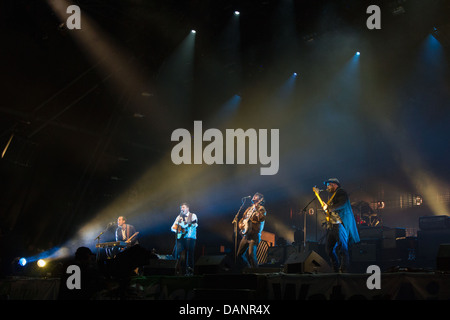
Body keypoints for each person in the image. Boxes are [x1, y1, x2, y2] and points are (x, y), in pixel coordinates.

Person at [322, 178, 360, 273]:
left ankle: (343, 270)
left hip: (339, 225)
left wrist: (329, 208)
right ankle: (335, 268)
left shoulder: (341, 192)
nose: (327, 187)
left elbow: (342, 204)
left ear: (335, 185)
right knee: (329, 249)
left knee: (342, 248)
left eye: (329, 184)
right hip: (332, 226)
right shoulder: (334, 195)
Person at [237, 192, 266, 270]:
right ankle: (249, 269)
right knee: (239, 255)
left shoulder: (261, 208)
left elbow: (261, 218)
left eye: (256, 196)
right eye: (254, 196)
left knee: (251, 255)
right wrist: (242, 228)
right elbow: (244, 219)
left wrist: (257, 209)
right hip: (246, 235)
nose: (253, 197)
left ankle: (256, 273)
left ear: (260, 199)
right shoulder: (249, 209)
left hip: (254, 235)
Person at [171, 203, 198, 275]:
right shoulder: (179, 217)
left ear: (187, 208)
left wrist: (186, 225)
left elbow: (194, 225)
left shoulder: (193, 215)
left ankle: (190, 271)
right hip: (182, 239)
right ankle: (173, 269)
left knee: (190, 255)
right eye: (181, 208)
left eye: (183, 207)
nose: (181, 209)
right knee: (175, 252)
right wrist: (179, 230)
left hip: (190, 238)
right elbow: (172, 227)